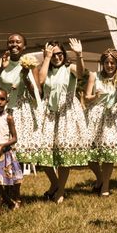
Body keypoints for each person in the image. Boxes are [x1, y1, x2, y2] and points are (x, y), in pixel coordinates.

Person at [0, 33, 42, 201]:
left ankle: (15, 195)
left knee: (15, 154)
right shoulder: (0, 61)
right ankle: (5, 194)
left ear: (24, 46)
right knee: (2, 152)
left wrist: (26, 77)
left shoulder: (31, 64)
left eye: (18, 42)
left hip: (21, 110)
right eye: (11, 42)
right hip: (1, 111)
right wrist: (2, 67)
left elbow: (37, 93)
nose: (14, 44)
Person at [37, 39, 91, 204]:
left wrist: (79, 55)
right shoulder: (45, 68)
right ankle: (55, 183)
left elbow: (82, 74)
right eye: (53, 54)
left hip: (67, 113)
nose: (57, 57)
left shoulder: (70, 68)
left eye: (59, 54)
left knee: (63, 154)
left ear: (64, 54)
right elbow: (40, 81)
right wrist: (46, 58)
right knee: (43, 151)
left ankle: (60, 190)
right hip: (48, 113)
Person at [84, 49, 117, 197]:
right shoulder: (94, 76)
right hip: (94, 116)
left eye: (112, 63)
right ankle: (99, 178)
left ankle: (105, 185)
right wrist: (94, 97)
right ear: (102, 63)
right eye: (106, 62)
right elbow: (86, 97)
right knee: (88, 154)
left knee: (108, 155)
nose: (109, 65)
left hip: (112, 118)